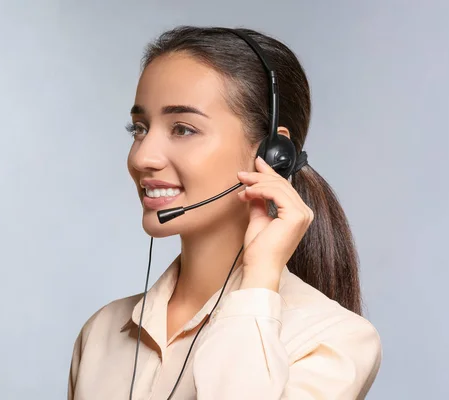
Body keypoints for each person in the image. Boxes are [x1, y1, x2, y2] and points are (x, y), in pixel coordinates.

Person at [67, 25, 382, 400]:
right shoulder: (101, 332)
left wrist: (260, 275)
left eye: (182, 129)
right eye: (139, 128)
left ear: (271, 154)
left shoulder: (332, 340)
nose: (142, 157)